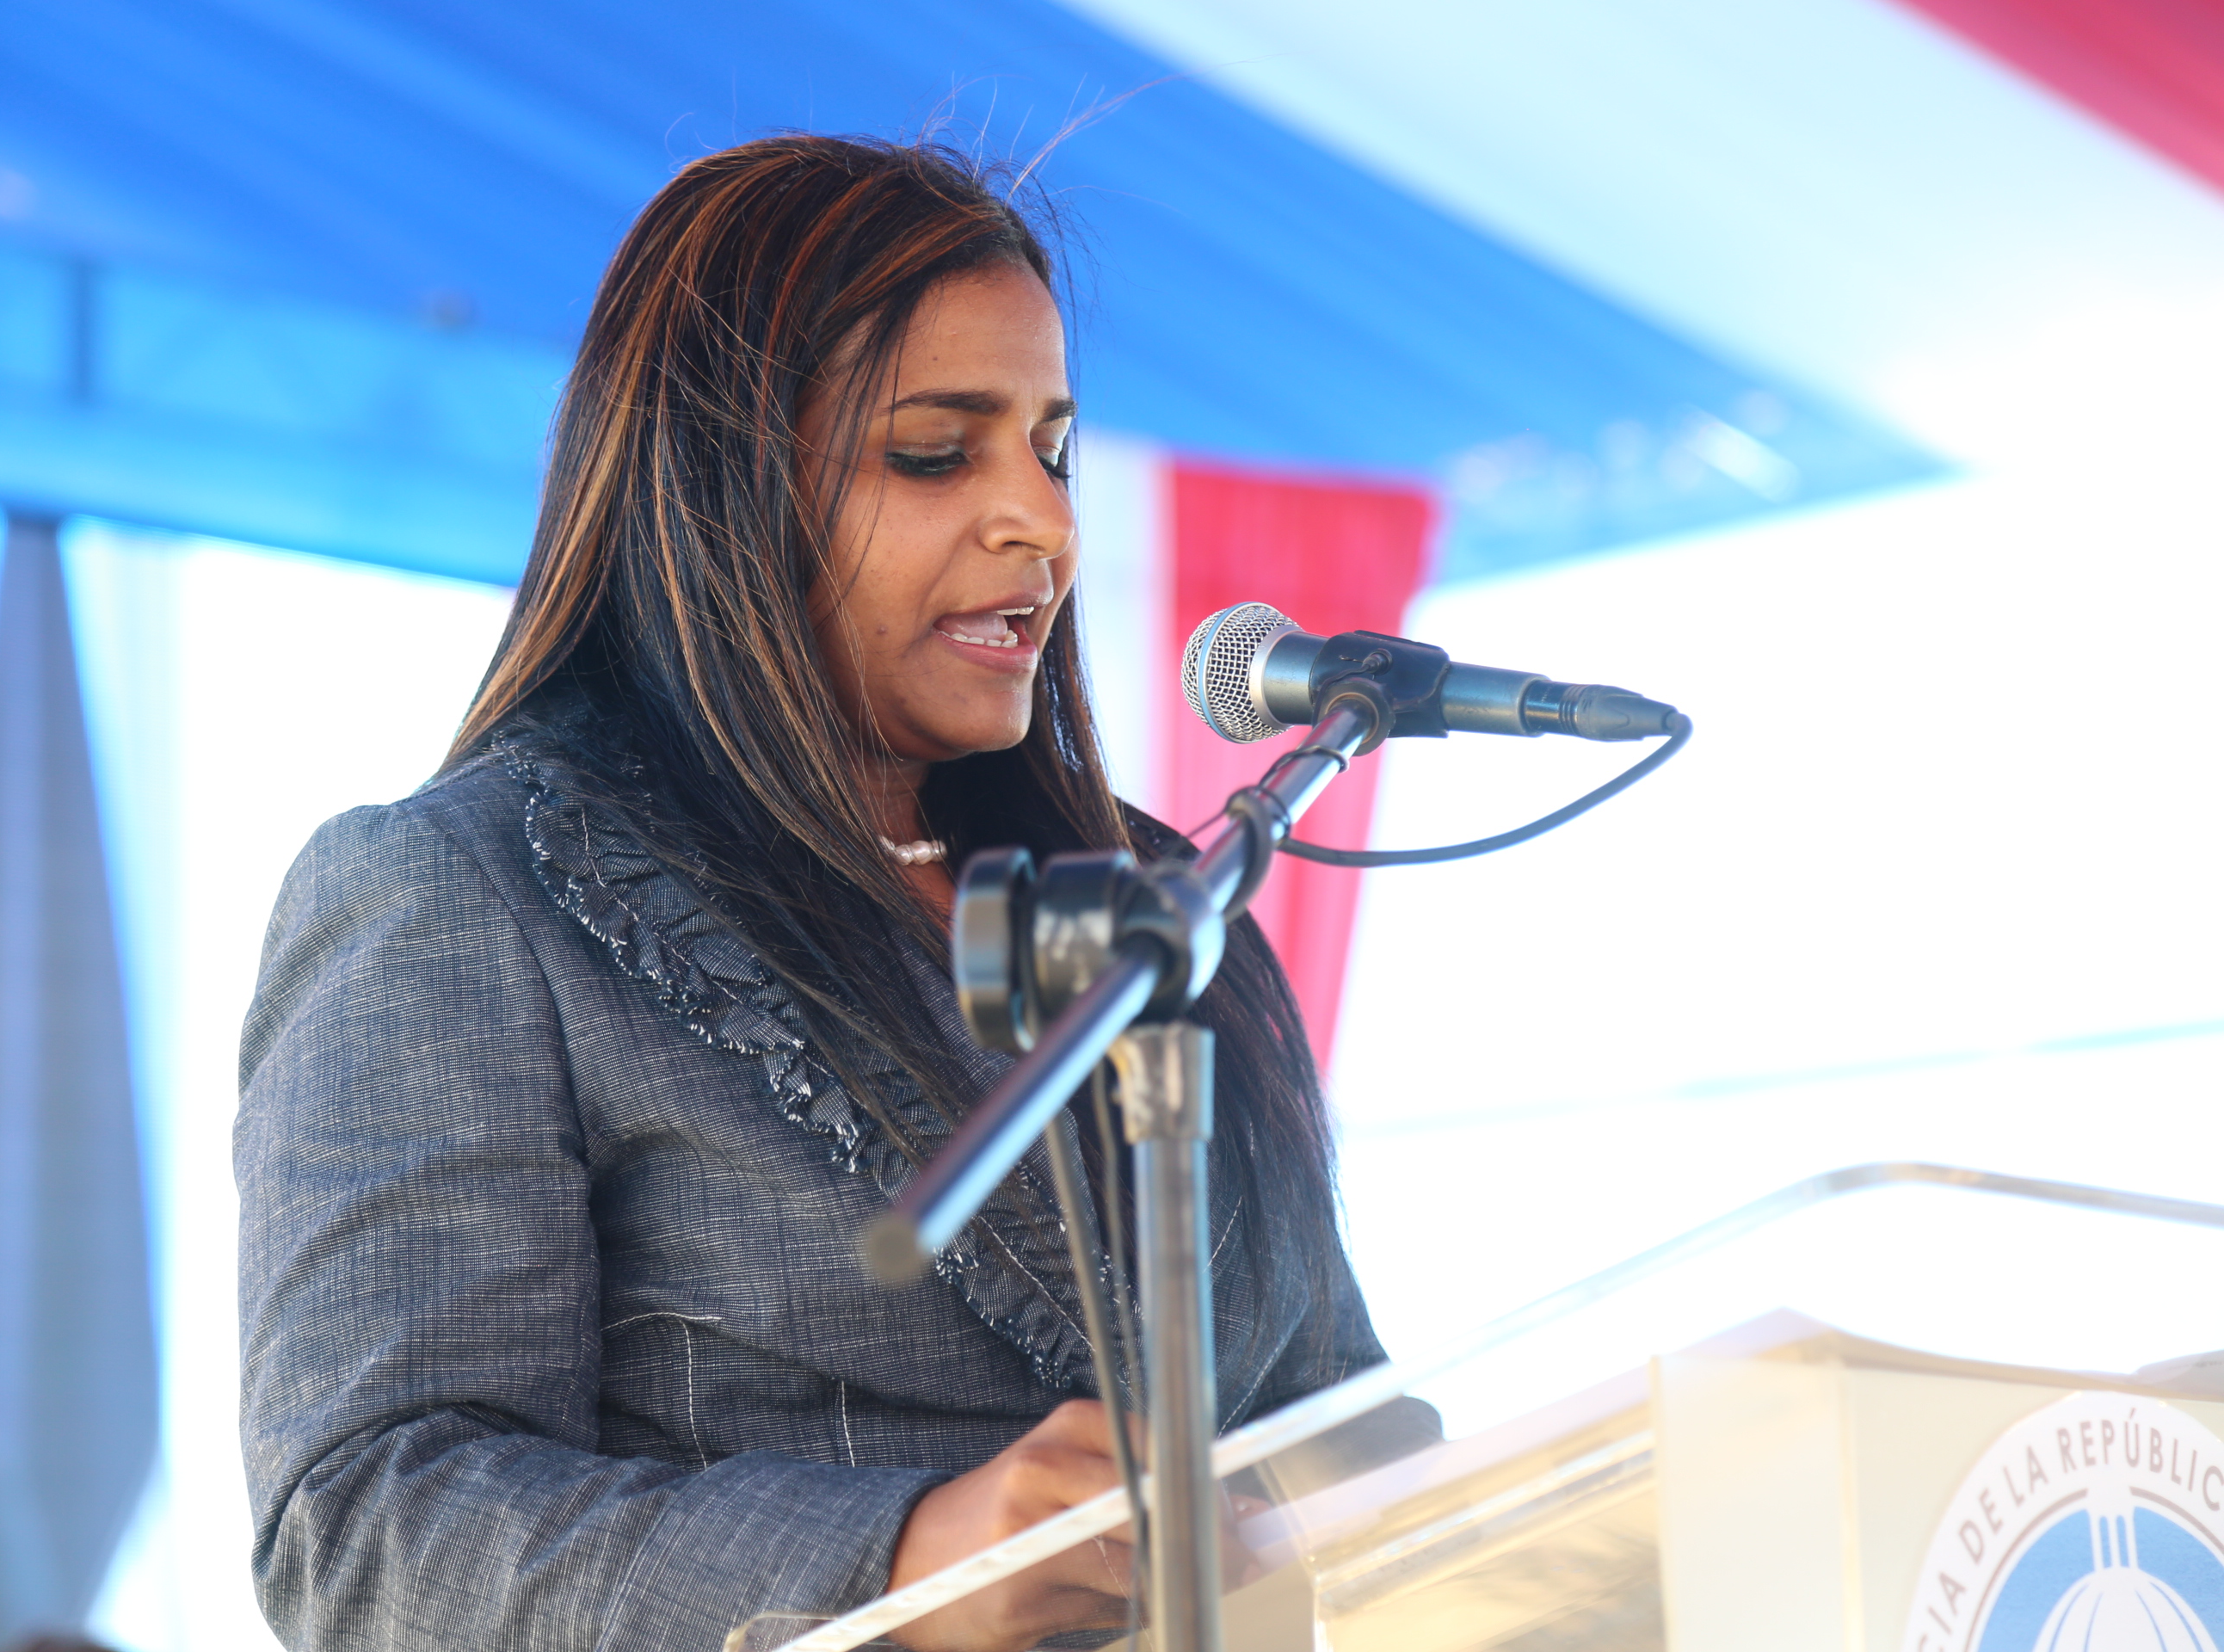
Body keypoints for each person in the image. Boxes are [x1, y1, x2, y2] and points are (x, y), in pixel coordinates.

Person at [237, 133, 1434, 1652]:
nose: (1043, 523)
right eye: (936, 453)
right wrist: (907, 1563)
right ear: (720, 486)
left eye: (1053, 450)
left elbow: (1341, 1433)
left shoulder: (1153, 905)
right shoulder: (463, 896)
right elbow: (367, 1532)